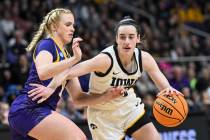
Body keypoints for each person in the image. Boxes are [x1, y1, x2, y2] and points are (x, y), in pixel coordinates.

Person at [29, 16, 183, 140]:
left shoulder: (145, 58)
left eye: (131, 37)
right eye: (122, 37)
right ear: (116, 39)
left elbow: (164, 86)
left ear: (138, 39)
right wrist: (50, 88)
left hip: (128, 106)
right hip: (102, 114)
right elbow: (69, 72)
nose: (126, 41)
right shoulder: (105, 59)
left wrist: (168, 91)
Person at [8, 8, 124, 140]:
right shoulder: (47, 44)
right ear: (54, 27)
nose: (73, 29)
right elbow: (43, 72)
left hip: (39, 113)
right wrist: (74, 59)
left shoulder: (67, 57)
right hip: (28, 109)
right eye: (68, 24)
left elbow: (79, 98)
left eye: (73, 25)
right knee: (78, 138)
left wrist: (105, 96)